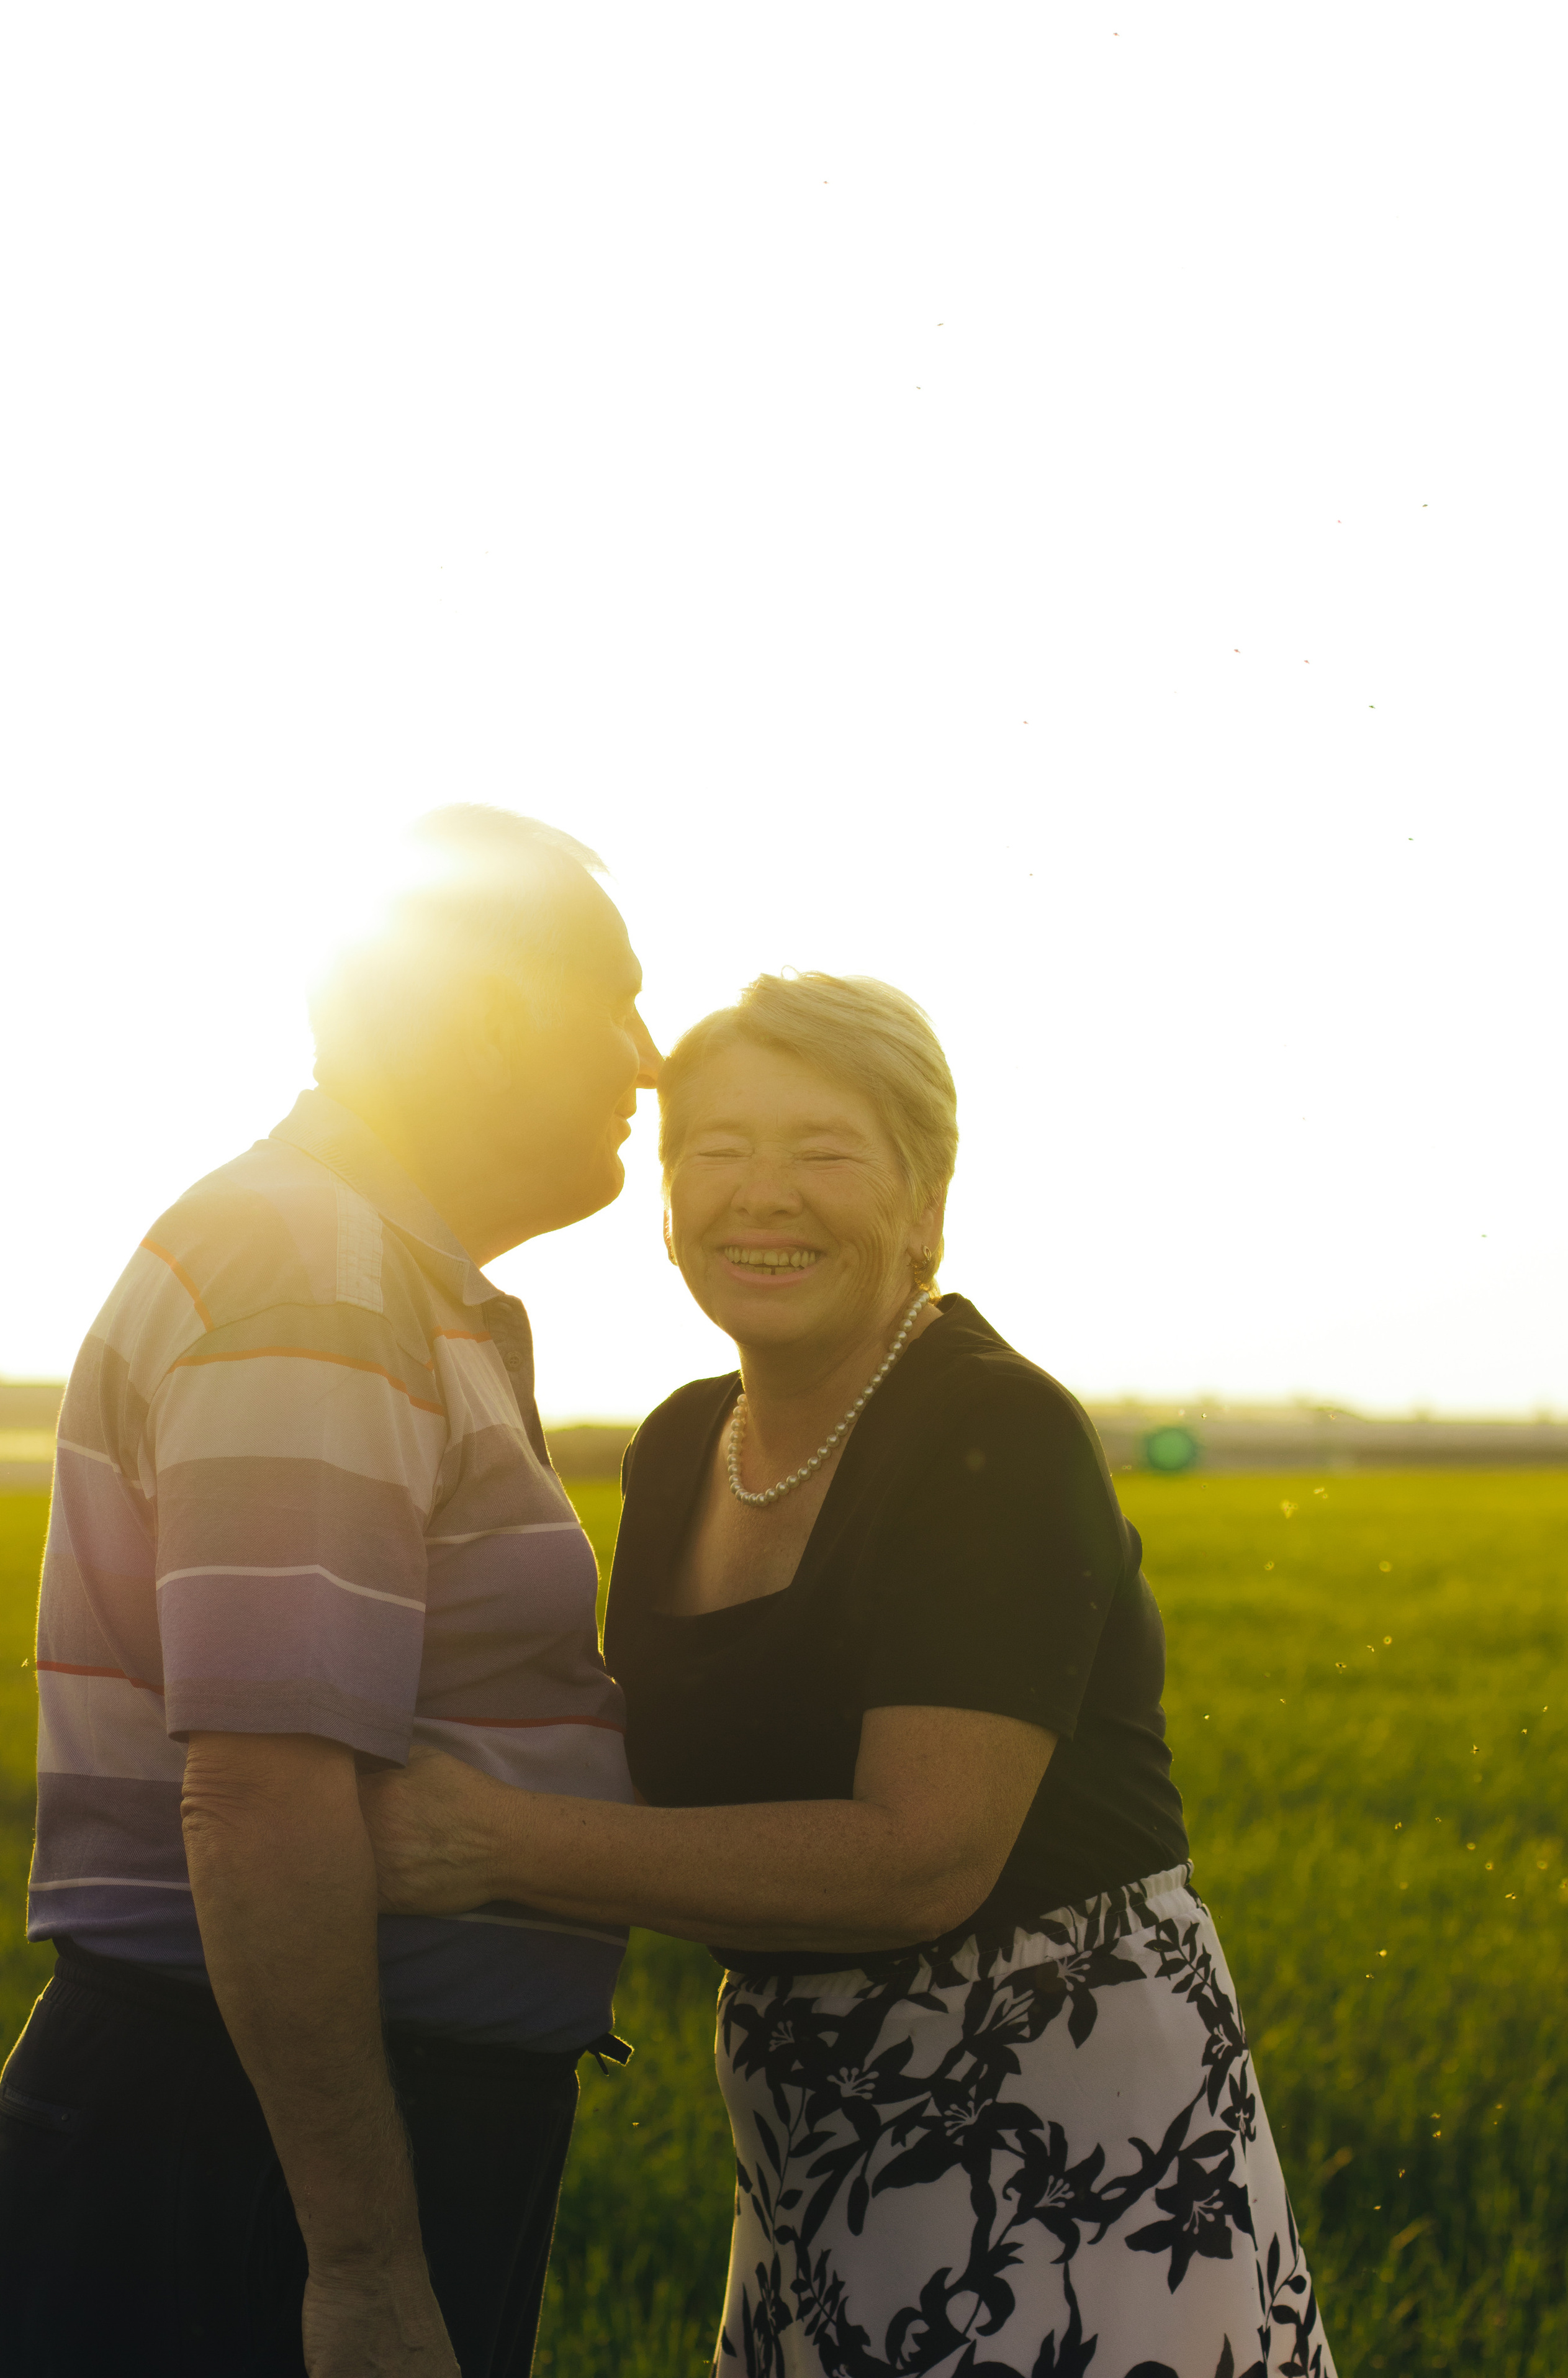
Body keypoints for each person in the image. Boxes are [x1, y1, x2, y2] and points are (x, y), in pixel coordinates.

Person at [361, 969, 1337, 2378]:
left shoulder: (991, 1432)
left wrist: (487, 1842)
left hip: (1068, 2147)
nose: (762, 1194)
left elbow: (919, 1860)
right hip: (812, 2133)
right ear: (669, 1205)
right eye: (717, 1150)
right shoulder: (681, 1447)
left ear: (923, 1203)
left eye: (823, 1152)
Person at [0, 807, 661, 2378]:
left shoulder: (372, 1272)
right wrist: (361, 2261)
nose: (649, 1059)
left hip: (271, 2125)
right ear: (496, 1019)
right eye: (618, 1001)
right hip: (242, 2155)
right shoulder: (319, 1281)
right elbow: (257, 1792)